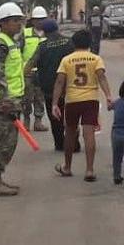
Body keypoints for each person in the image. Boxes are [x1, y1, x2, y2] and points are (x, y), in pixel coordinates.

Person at [52, 30, 113, 182]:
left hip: (72, 100)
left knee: (70, 133)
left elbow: (60, 82)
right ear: (89, 43)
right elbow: (102, 78)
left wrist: (54, 103)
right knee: (89, 134)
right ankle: (90, 170)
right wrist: (108, 96)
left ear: (73, 43)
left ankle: (67, 167)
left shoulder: (66, 60)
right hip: (90, 100)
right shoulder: (96, 59)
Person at [0, 2, 27, 196]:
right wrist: (6, 99)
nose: (18, 24)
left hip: (10, 100)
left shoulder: (11, 42)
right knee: (3, 141)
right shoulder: (0, 43)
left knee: (9, 142)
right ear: (2, 23)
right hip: (2, 102)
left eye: (19, 20)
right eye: (14, 20)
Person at [25, 19, 73, 151]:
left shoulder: (42, 47)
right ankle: (73, 143)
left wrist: (23, 76)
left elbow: (30, 64)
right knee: (69, 117)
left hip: (49, 89)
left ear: (45, 33)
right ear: (57, 29)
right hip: (69, 87)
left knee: (55, 118)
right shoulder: (69, 42)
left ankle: (59, 144)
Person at [19, 6, 49, 132]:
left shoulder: (49, 35)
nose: (40, 22)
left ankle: (38, 121)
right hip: (28, 72)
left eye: (42, 19)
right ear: (32, 21)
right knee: (26, 98)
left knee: (40, 97)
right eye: (37, 19)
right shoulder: (24, 34)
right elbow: (18, 53)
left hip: (42, 72)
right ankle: (26, 120)